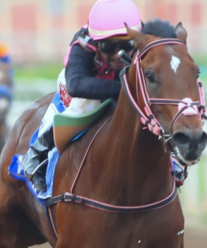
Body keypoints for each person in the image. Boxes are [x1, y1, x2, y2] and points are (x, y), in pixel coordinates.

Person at [20, 0, 142, 192]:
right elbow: (76, 85)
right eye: (110, 47)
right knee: (85, 104)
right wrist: (124, 88)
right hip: (82, 86)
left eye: (126, 45)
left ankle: (173, 161)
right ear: (97, 41)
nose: (119, 54)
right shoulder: (83, 43)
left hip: (121, 83)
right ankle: (37, 155)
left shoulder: (144, 39)